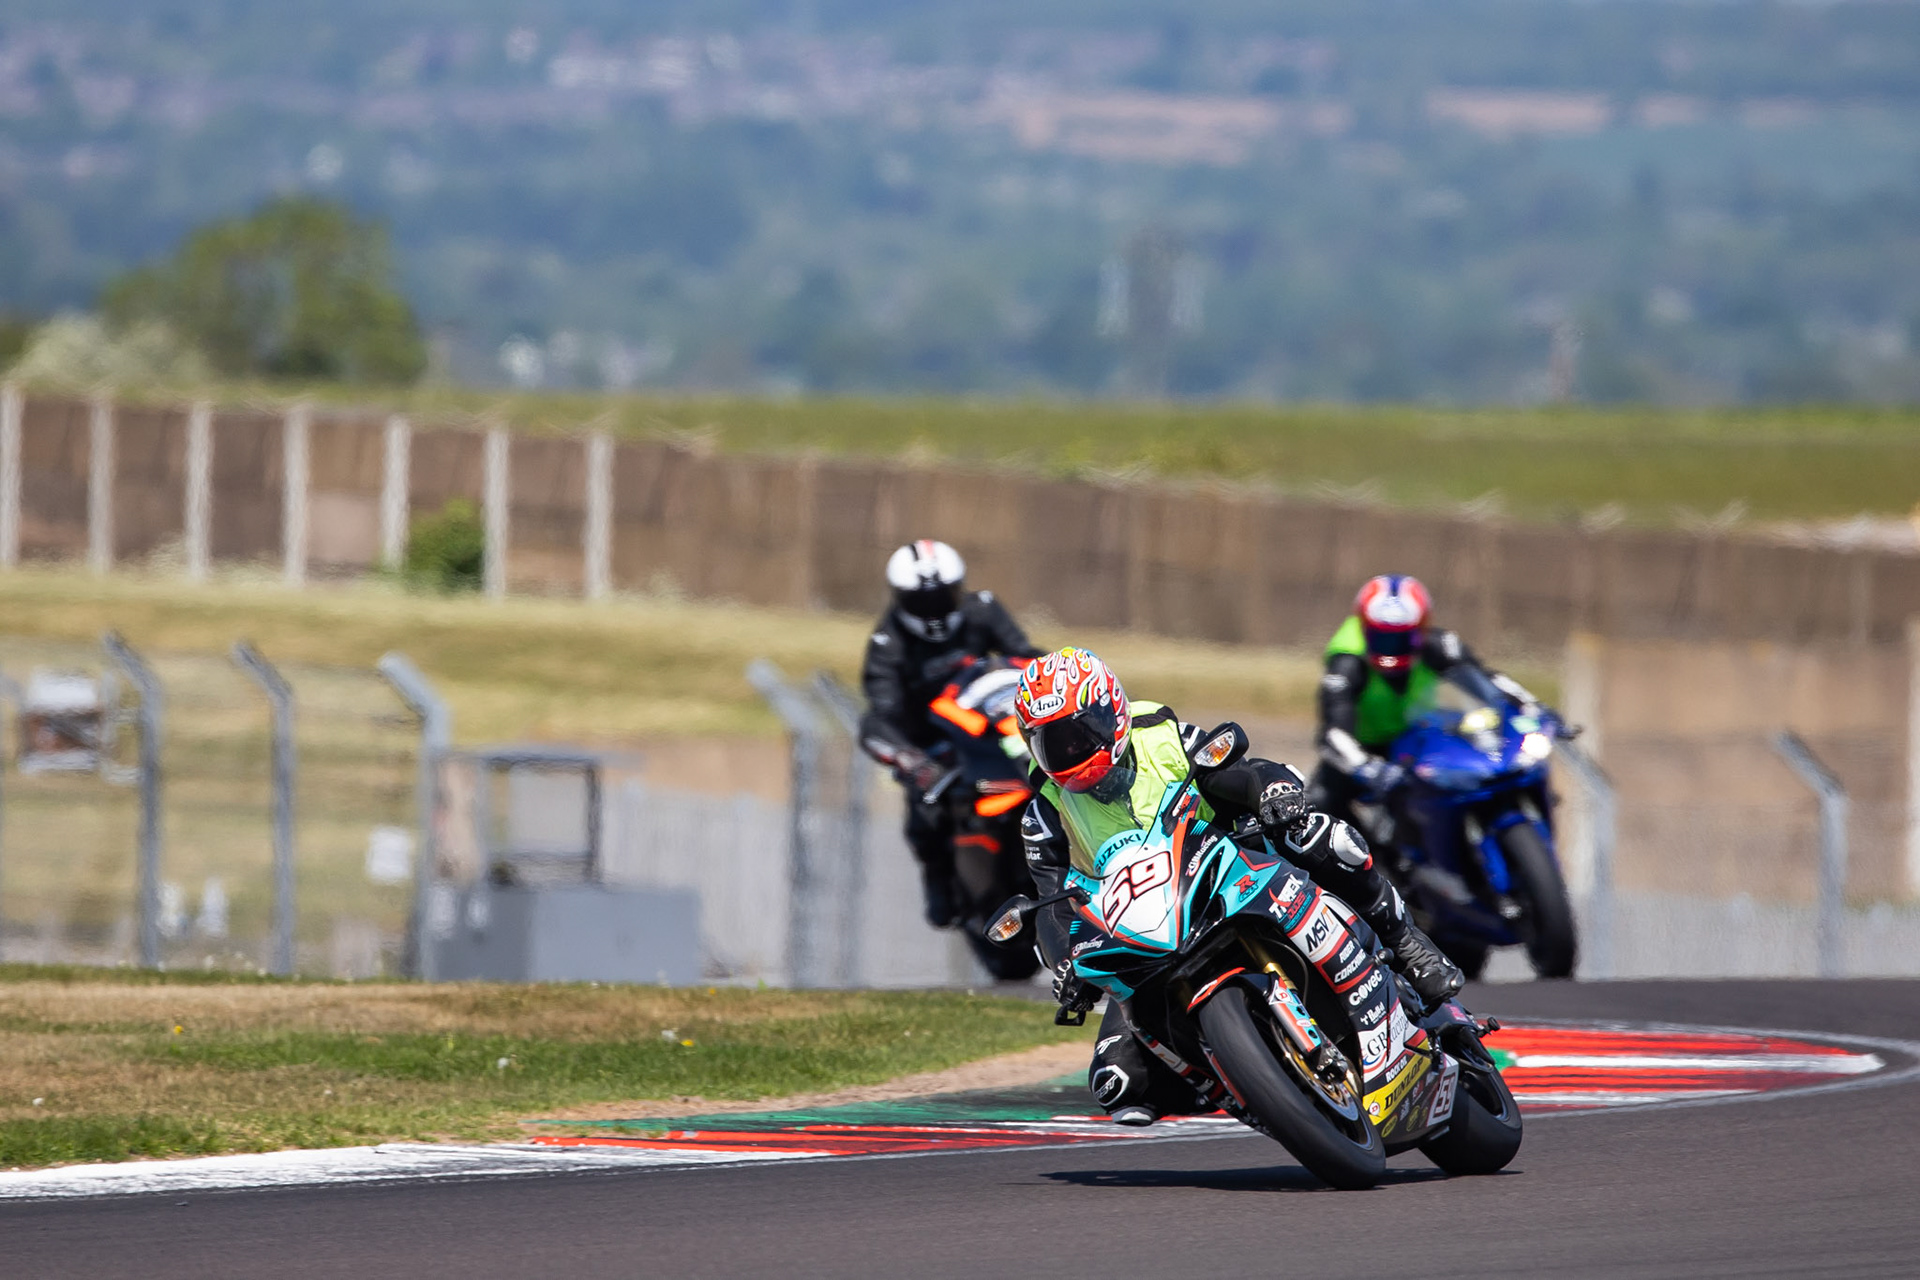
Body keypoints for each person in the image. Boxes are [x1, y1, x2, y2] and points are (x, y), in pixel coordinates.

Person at [1014, 646, 1464, 1127]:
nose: (1071, 753)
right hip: (1143, 930)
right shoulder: (1044, 811)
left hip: (1228, 861)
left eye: (1079, 735)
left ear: (1111, 714)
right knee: (1117, 1081)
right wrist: (1065, 964)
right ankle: (1252, 1088)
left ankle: (1406, 943)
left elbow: (1232, 768)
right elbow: (1051, 905)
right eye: (1051, 744)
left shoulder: (1159, 734)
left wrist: (1270, 789)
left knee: (1316, 835)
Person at [859, 540, 1043, 927]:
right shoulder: (888, 643)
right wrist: (914, 761)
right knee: (926, 812)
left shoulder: (983, 609)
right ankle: (939, 879)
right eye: (922, 601)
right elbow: (881, 714)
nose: (936, 609)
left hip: (987, 723)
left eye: (944, 596)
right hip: (933, 742)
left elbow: (1024, 656)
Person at [1312, 574, 1549, 840]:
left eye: (1403, 638)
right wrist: (1365, 766)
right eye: (1382, 637)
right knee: (1318, 802)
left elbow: (1487, 679)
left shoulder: (1440, 645)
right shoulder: (1346, 662)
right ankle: (1362, 854)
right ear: (1364, 628)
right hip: (1363, 748)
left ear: (1421, 630)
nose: (1392, 649)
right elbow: (1333, 731)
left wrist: (1533, 706)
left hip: (1418, 740)